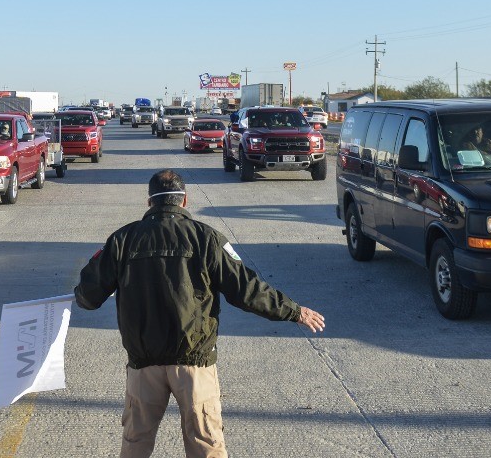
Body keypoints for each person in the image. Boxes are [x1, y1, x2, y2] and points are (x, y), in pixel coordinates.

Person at [75, 170, 326, 458]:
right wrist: (294, 311)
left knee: (135, 445)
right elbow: (247, 289)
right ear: (184, 201)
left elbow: (88, 296)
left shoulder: (122, 239)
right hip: (194, 364)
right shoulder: (207, 239)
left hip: (143, 366)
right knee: (206, 446)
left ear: (149, 203)